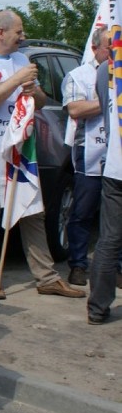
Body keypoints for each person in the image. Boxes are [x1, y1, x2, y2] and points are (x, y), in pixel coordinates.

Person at [0, 10, 83, 299]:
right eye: (19, 31)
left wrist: (31, 89)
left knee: (31, 210)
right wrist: (15, 82)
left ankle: (46, 276)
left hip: (22, 146)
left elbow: (39, 101)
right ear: (1, 32)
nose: (23, 36)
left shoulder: (22, 60)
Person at [61, 26, 110, 286]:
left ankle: (116, 267)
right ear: (95, 49)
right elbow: (75, 109)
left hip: (117, 153)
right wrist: (110, 100)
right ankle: (78, 264)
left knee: (116, 214)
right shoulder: (78, 76)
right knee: (83, 211)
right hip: (89, 151)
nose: (114, 54)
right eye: (109, 49)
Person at [87, 45, 122, 324]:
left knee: (109, 238)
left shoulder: (104, 70)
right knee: (110, 240)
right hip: (114, 165)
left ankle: (97, 307)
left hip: (114, 163)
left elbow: (103, 104)